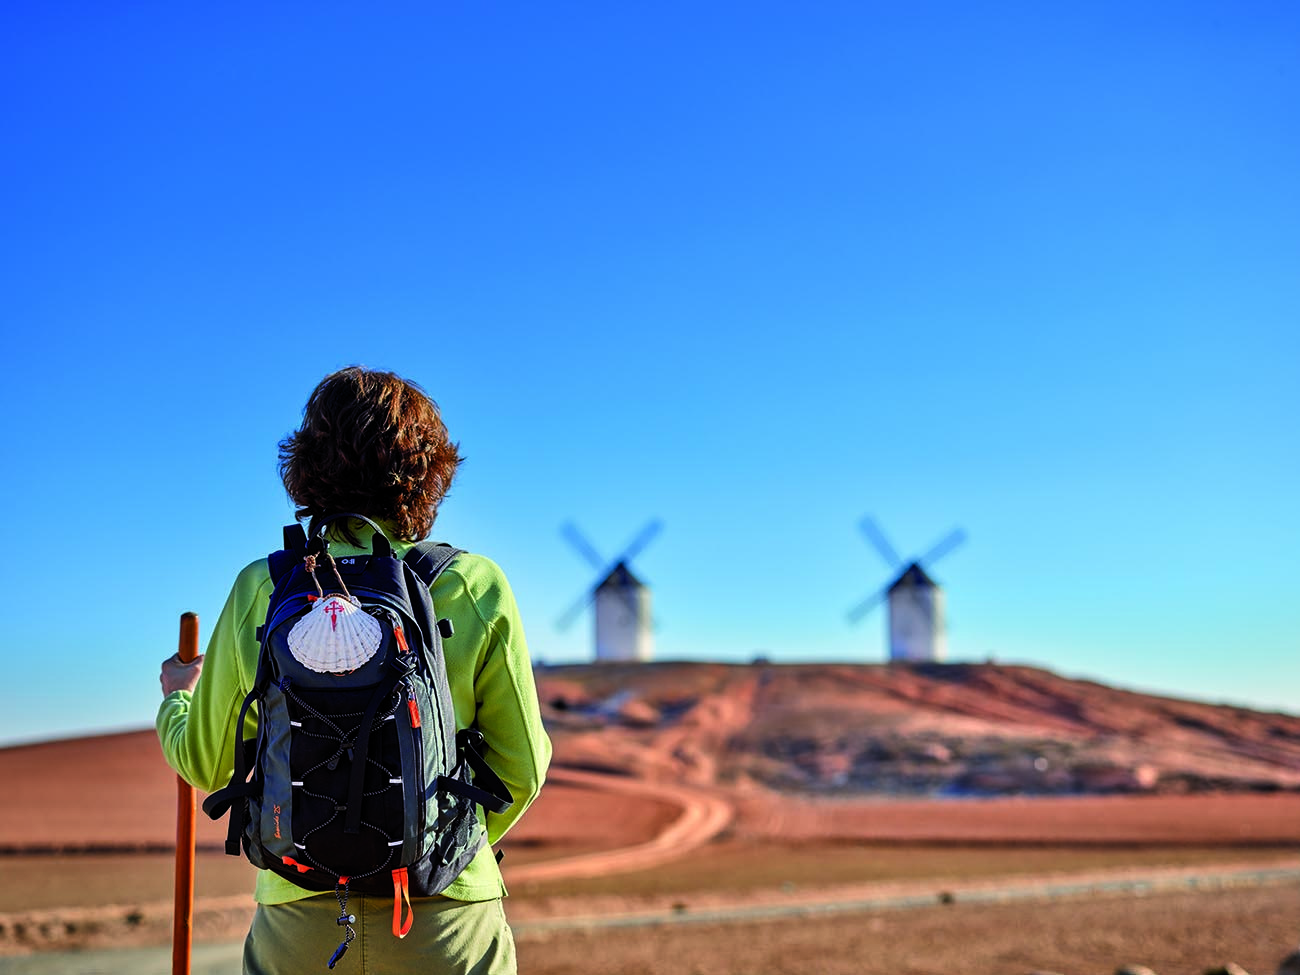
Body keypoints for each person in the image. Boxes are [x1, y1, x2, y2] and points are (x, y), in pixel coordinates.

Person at [157, 366, 551, 975]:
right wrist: (433, 842)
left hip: (301, 918)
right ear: (430, 472)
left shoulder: (263, 587)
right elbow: (521, 769)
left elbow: (210, 763)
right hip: (445, 921)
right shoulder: (474, 585)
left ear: (307, 464)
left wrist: (178, 700)